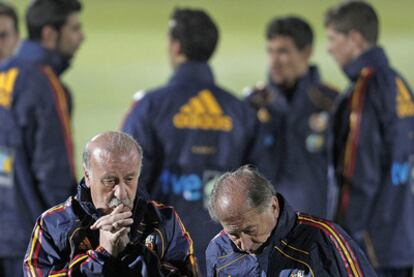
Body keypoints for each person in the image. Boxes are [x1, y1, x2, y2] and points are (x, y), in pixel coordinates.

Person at [122, 8, 260, 273]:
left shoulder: (150, 106)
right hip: (228, 251)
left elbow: (130, 182)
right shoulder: (240, 111)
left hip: (165, 249)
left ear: (175, 47)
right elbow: (258, 186)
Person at [24, 131, 198, 276]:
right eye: (109, 181)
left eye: (129, 179)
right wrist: (102, 255)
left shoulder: (165, 221)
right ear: (88, 176)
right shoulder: (53, 224)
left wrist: (133, 253)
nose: (121, 193)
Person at [325, 1, 414, 276]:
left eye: (332, 39)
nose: (329, 48)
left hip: (368, 245)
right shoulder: (398, 83)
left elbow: (357, 173)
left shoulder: (366, 89)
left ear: (354, 38)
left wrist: (341, 239)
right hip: (400, 237)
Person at [0, 1, 84, 276]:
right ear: (50, 34)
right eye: (74, 28)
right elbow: (54, 173)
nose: (81, 36)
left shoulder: (5, 73)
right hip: (26, 241)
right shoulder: (46, 85)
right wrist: (70, 234)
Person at [243, 16, 339, 218]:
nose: (274, 60)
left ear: (306, 52)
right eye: (270, 51)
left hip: (317, 225)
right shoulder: (253, 104)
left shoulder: (331, 104)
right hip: (265, 229)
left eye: (283, 51)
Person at [206, 165, 375, 276]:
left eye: (251, 230)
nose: (245, 245)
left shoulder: (324, 241)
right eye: (233, 235)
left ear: (273, 206)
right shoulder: (218, 252)